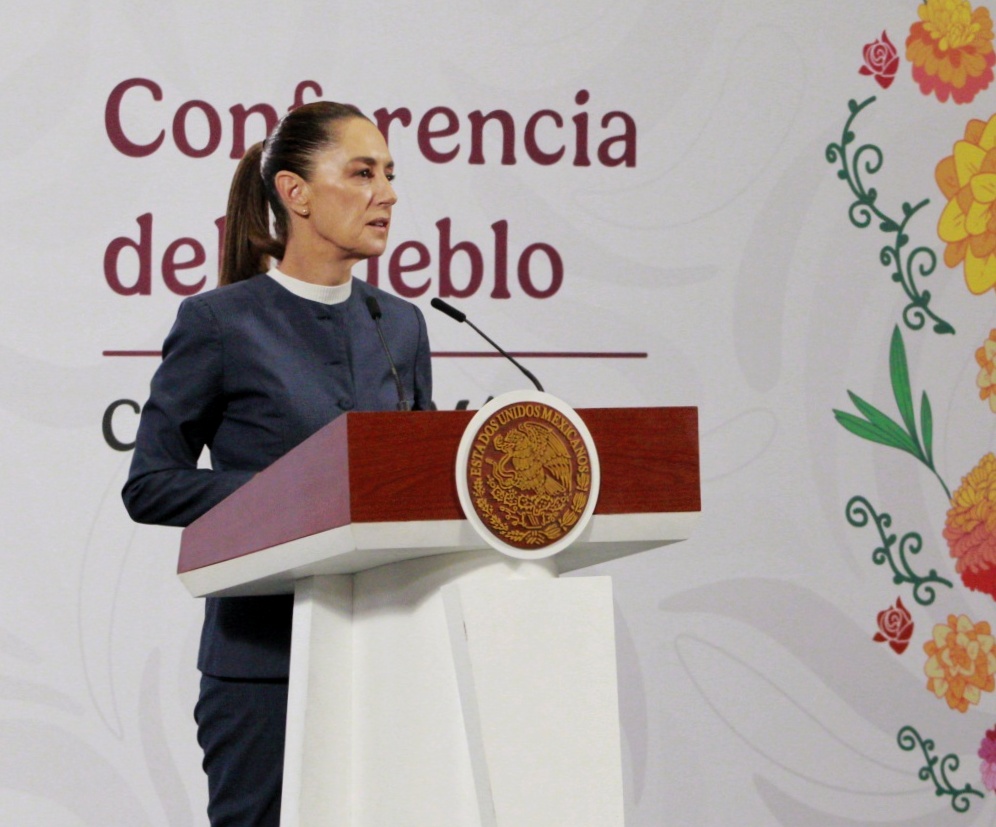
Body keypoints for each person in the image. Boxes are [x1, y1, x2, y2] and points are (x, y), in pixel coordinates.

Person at [122, 101, 433, 826]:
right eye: (362, 173)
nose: (388, 193)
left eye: (390, 174)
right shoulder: (218, 323)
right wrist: (289, 497)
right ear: (296, 193)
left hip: (384, 655)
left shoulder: (404, 324)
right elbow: (151, 484)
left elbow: (415, 487)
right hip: (263, 664)